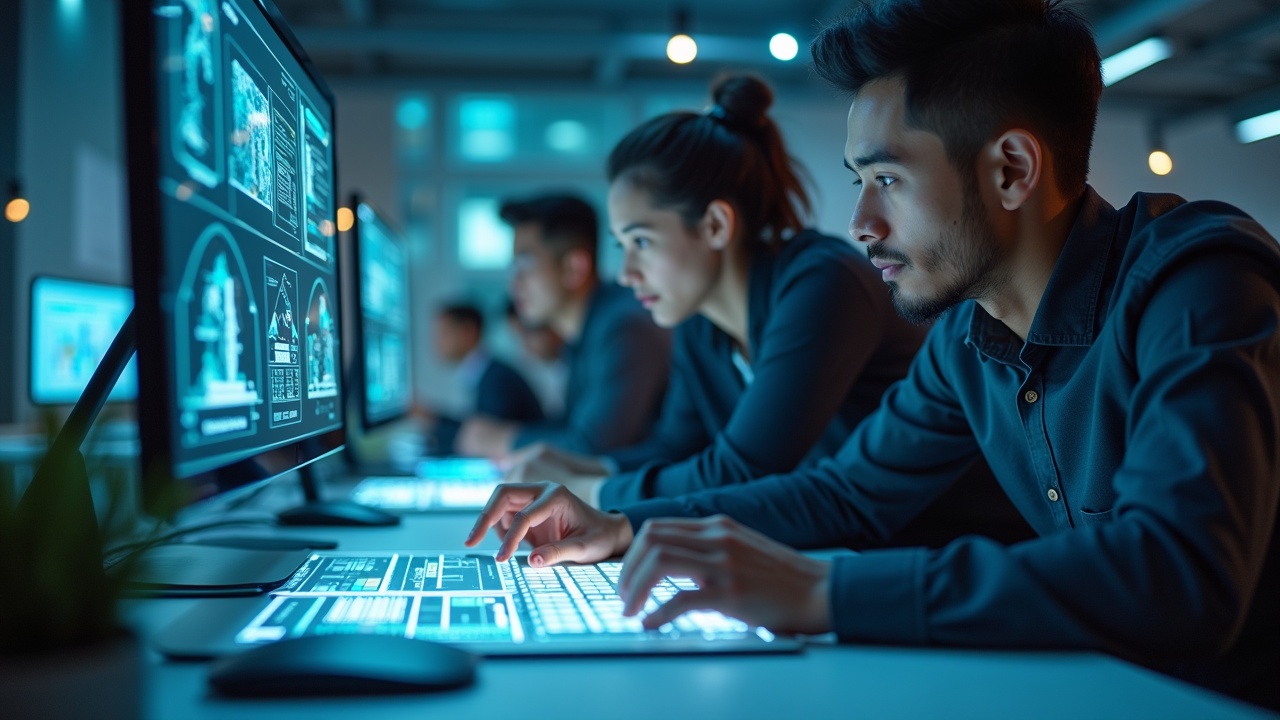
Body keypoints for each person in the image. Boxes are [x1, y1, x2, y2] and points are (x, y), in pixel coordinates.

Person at [466, 0, 1280, 709]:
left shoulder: (1198, 281)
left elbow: (1180, 575)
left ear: (1011, 169)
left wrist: (825, 590)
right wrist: (622, 527)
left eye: (885, 179)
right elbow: (848, 496)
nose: (861, 222)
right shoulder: (967, 336)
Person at [504, 74, 931, 515]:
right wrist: (581, 465)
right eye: (622, 247)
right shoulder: (699, 322)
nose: (627, 274)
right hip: (838, 544)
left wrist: (591, 492)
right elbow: (676, 450)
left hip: (926, 546)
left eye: (642, 243)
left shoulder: (823, 284)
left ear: (715, 226)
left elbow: (745, 469)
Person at [456, 194, 670, 456]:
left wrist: (502, 440)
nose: (514, 285)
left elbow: (593, 447)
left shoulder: (624, 329)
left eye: (525, 264)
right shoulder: (586, 334)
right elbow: (572, 426)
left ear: (573, 268)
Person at [427, 302, 544, 454]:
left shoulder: (497, 380)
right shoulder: (488, 372)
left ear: (468, 332)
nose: (436, 342)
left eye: (443, 333)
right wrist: (435, 419)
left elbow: (485, 438)